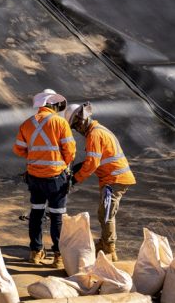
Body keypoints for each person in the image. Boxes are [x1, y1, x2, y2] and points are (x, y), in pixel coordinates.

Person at [13, 89, 78, 266]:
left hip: (34, 176)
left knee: (37, 212)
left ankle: (35, 252)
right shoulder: (60, 123)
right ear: (53, 104)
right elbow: (70, 151)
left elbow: (18, 149)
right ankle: (58, 256)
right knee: (57, 216)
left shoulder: (27, 124)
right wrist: (61, 163)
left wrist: (36, 158)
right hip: (56, 178)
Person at [68, 103, 135, 258]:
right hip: (113, 178)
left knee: (106, 214)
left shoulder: (94, 135)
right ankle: (106, 243)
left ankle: (109, 248)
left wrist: (75, 179)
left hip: (114, 179)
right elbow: (94, 159)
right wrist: (78, 168)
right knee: (103, 212)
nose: (77, 130)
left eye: (76, 126)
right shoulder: (99, 130)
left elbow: (92, 163)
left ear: (81, 120)